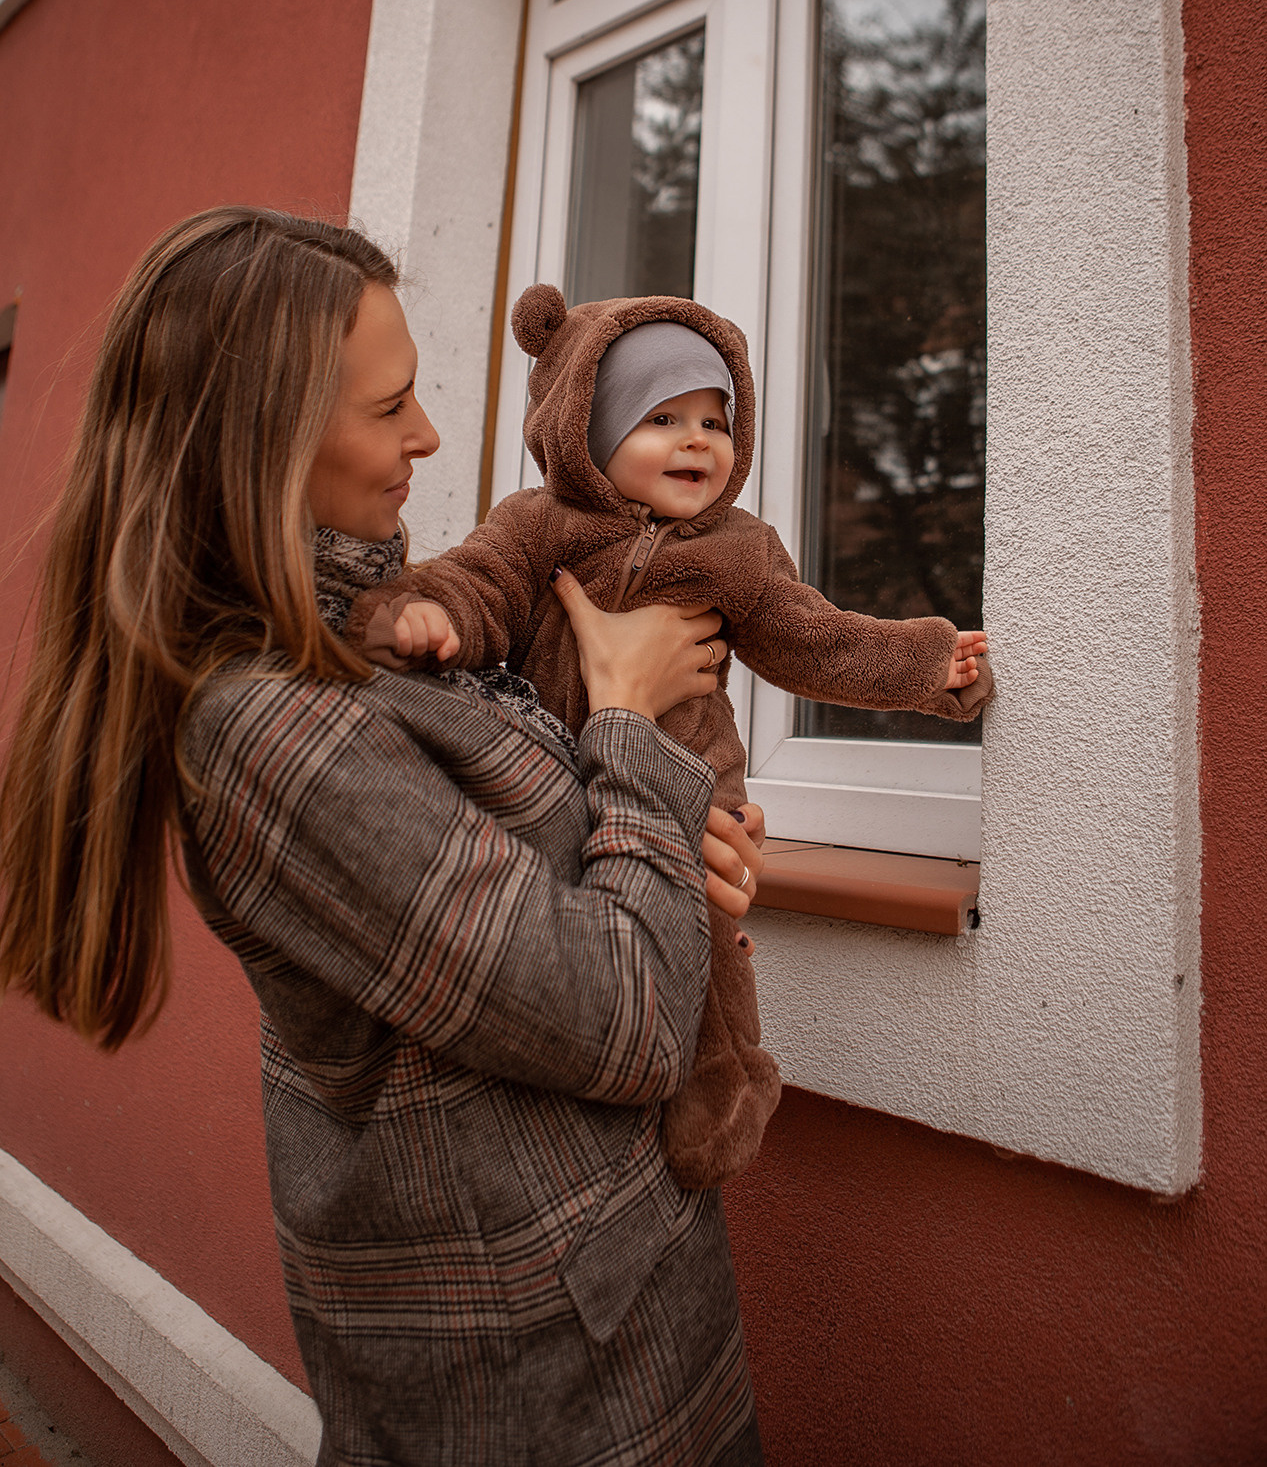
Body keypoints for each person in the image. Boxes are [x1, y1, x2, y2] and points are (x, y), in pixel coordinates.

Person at [0, 209, 768, 1467]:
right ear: (265, 441)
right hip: (548, 1394)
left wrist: (679, 846)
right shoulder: (267, 728)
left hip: (627, 1330)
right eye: (391, 406)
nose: (426, 436)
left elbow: (549, 883)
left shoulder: (371, 632)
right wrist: (627, 717)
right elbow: (622, 1019)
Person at [341, 284, 993, 1190]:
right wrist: (419, 613)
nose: (697, 441)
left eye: (715, 421)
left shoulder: (739, 550)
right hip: (543, 788)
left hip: (690, 785)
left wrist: (925, 665)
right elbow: (476, 583)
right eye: (662, 417)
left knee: (704, 940)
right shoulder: (537, 527)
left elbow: (818, 639)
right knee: (583, 956)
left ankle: (725, 1082)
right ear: (587, 431)